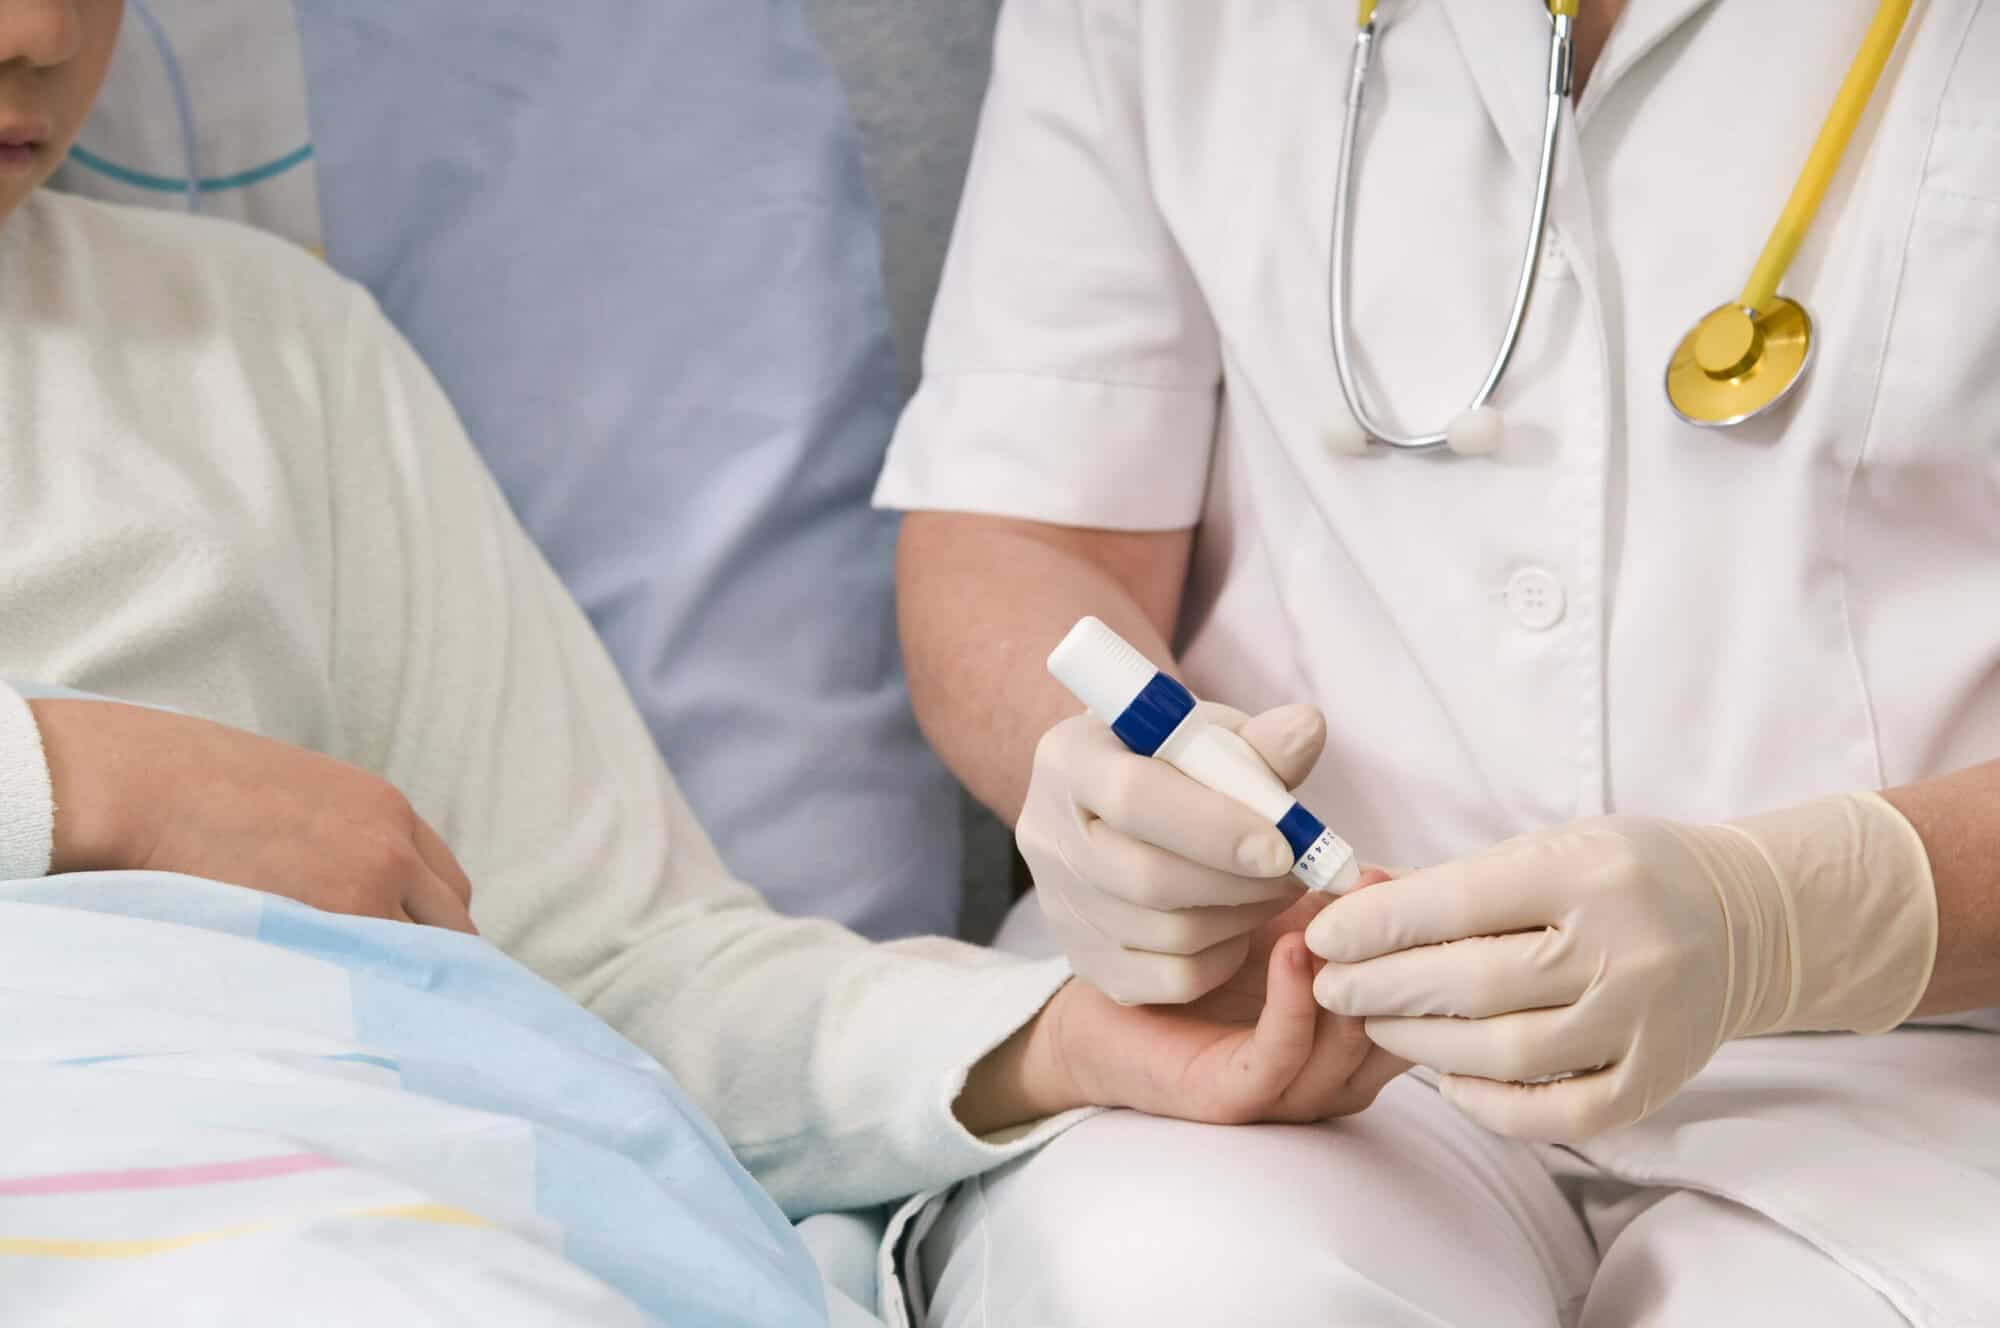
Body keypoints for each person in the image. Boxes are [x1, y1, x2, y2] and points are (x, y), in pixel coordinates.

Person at [0, 3, 1411, 1320]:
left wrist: (1056, 1039)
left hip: (368, 1198)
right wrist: (81, 785)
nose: (41, 36)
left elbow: (623, 973)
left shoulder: (264, 349)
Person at [881, 0, 2000, 1323]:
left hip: (1923, 1069)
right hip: (1288, 1024)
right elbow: (1017, 529)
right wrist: (1102, 805)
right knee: (1172, 1290)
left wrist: (1795, 916)